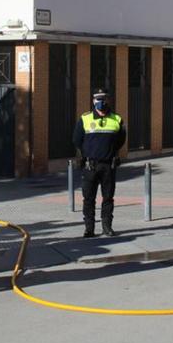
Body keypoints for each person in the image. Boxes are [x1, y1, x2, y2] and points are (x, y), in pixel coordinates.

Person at [72, 89, 127, 238]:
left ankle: (107, 227)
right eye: (97, 99)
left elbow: (121, 140)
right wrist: (86, 154)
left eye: (103, 99)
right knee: (89, 199)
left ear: (108, 100)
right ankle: (89, 229)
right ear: (93, 101)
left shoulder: (117, 119)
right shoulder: (85, 119)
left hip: (108, 165)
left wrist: (110, 151)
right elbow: (77, 140)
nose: (101, 102)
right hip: (91, 165)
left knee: (108, 197)